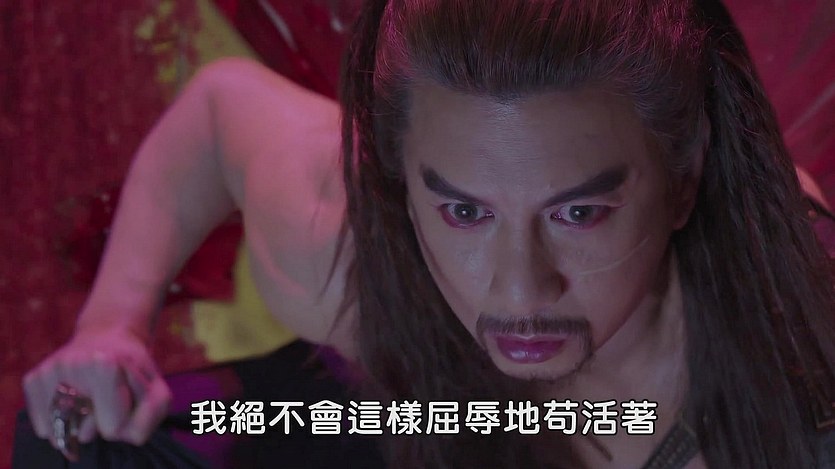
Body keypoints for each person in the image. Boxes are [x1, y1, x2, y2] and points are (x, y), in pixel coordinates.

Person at [22, 0, 835, 467]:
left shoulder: (802, 337)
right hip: (423, 418)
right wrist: (110, 325)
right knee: (80, 432)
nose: (517, 290)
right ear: (400, 182)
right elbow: (219, 107)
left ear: (685, 180)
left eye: (578, 212)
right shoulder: (345, 245)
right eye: (464, 212)